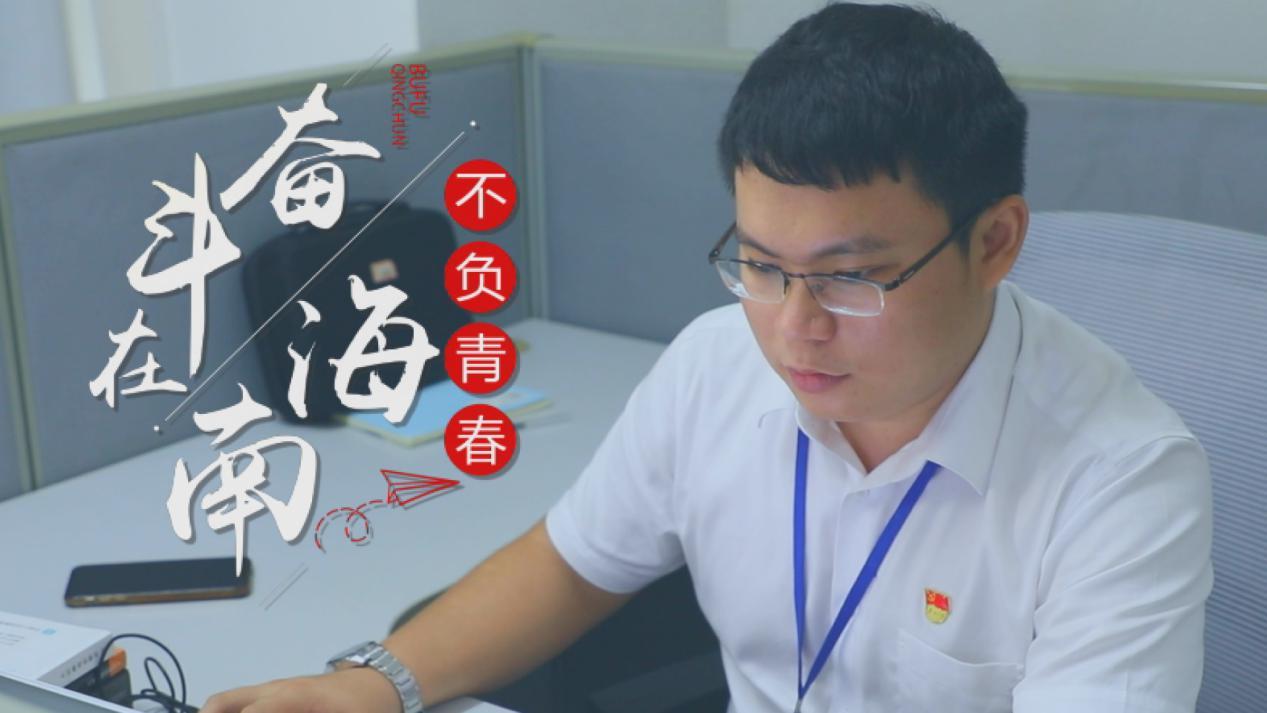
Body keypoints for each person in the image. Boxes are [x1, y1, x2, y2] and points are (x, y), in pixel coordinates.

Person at [202, 3, 1213, 712]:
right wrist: (376, 681)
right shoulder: (716, 363)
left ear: (993, 242)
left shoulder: (1118, 477)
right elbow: (571, 565)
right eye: (761, 265)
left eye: (850, 278)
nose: (794, 326)